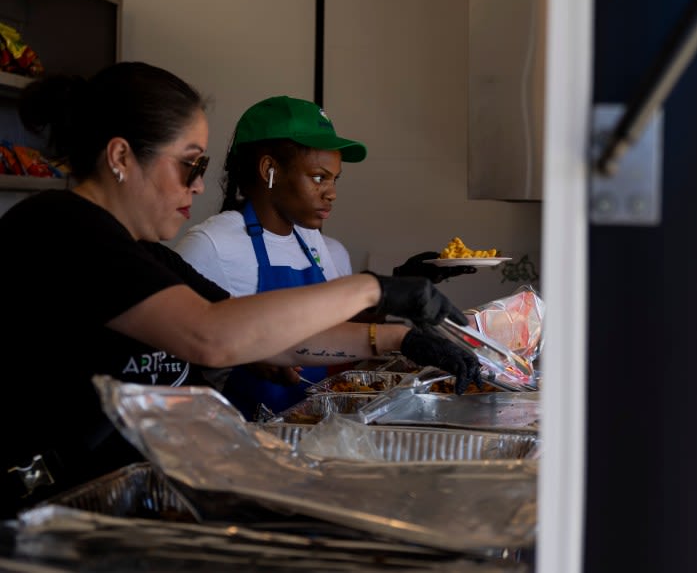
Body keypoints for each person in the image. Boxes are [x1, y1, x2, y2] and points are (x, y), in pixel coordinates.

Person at [0, 63, 480, 518]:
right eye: (189, 165)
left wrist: (398, 340)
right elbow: (210, 335)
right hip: (52, 508)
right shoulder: (59, 229)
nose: (200, 184)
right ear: (121, 157)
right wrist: (374, 290)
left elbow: (256, 333)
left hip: (132, 498)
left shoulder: (146, 252)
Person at [174, 95, 479, 417]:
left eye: (335, 180)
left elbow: (340, 327)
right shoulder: (210, 246)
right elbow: (180, 351)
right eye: (318, 177)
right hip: (242, 434)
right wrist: (250, 357)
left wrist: (401, 287)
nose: (331, 192)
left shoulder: (311, 239)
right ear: (269, 170)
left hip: (307, 426)